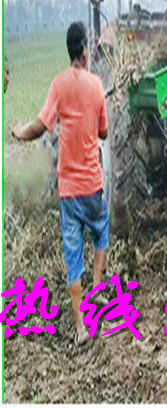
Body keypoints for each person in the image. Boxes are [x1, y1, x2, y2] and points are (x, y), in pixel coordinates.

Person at [12, 21, 109, 346]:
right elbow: (104, 132)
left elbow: (40, 126)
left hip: (69, 191)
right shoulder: (97, 85)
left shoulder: (59, 84)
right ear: (84, 50)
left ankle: (80, 328)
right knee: (101, 233)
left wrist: (19, 133)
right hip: (93, 186)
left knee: (73, 255)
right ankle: (98, 288)